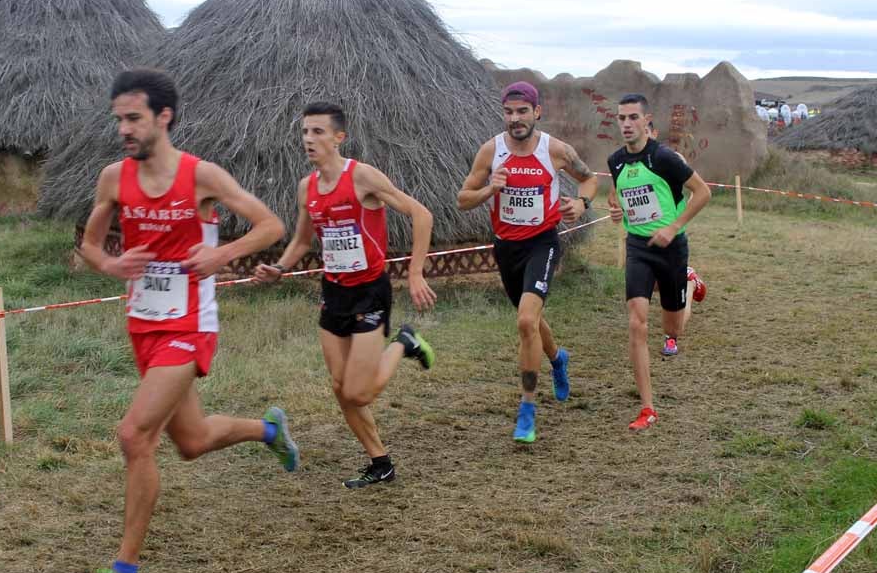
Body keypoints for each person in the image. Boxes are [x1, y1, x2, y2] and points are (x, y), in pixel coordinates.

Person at [70, 69, 299, 573]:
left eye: (133, 119)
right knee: (190, 442)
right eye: (118, 119)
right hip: (143, 326)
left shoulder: (200, 176)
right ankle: (269, 429)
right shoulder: (113, 179)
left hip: (190, 325)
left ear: (163, 117)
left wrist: (221, 255)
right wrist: (112, 262)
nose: (124, 129)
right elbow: (90, 245)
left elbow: (270, 226)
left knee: (134, 435)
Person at [253, 102, 436, 489]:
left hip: (370, 292)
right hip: (334, 292)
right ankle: (380, 462)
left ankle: (404, 343)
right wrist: (280, 268)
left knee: (359, 390)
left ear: (339, 137)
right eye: (304, 132)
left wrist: (415, 272)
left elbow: (421, 214)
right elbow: (303, 239)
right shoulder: (307, 187)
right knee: (340, 388)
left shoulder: (362, 178)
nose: (308, 139)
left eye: (318, 132)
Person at [457, 81, 598, 443]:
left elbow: (589, 180)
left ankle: (527, 408)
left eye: (522, 111)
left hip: (543, 242)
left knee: (524, 320)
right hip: (506, 248)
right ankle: (557, 359)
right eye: (509, 112)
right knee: (530, 321)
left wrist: (582, 204)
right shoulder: (491, 151)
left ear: (537, 112)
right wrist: (491, 188)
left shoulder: (557, 150)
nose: (515, 119)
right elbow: (463, 199)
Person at [606, 93, 712, 431]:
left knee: (672, 329)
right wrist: (617, 210)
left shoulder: (664, 158)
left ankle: (690, 282)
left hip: (671, 249)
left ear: (646, 120)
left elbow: (704, 192)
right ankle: (647, 408)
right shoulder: (616, 161)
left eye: (632, 117)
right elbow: (621, 196)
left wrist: (673, 227)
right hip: (638, 246)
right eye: (621, 118)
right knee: (637, 322)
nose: (626, 124)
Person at [644, 122, 708, 356]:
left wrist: (678, 221)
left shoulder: (671, 158)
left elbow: (698, 189)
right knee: (647, 285)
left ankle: (689, 284)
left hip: (671, 235)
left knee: (675, 312)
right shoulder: (630, 160)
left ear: (654, 132)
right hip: (643, 235)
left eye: (646, 133)